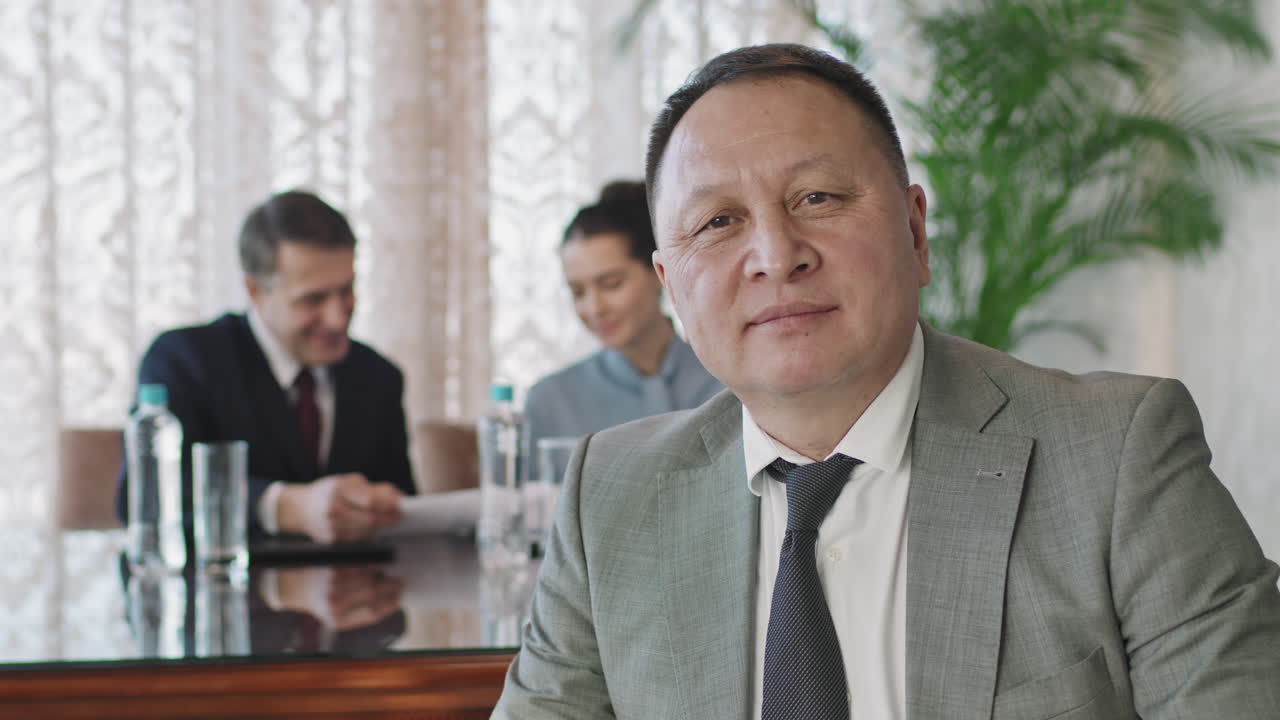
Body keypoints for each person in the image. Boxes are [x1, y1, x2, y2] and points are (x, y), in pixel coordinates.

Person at [493, 44, 1280, 718]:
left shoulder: (1118, 457)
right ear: (672, 288)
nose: (776, 253)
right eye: (718, 223)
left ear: (913, 230)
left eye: (818, 198)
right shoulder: (612, 498)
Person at [115, 189, 414, 546]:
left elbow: (403, 508)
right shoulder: (185, 359)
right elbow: (143, 496)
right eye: (313, 299)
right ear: (255, 291)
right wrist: (282, 507)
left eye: (346, 291)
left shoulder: (378, 377)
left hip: (353, 595)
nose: (337, 319)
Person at [522, 180, 721, 458]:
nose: (594, 308)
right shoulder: (551, 400)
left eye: (611, 284)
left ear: (658, 273)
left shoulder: (726, 380)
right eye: (578, 291)